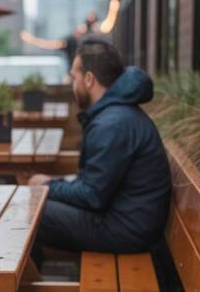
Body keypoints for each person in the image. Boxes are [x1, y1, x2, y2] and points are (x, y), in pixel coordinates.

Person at [29, 37, 171, 256]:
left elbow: (91, 196)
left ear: (88, 79)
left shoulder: (113, 124)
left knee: (31, 209)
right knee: (36, 204)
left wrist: (47, 185)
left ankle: (29, 288)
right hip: (127, 219)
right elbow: (95, 187)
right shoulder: (116, 115)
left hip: (126, 230)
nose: (71, 83)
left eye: (73, 77)